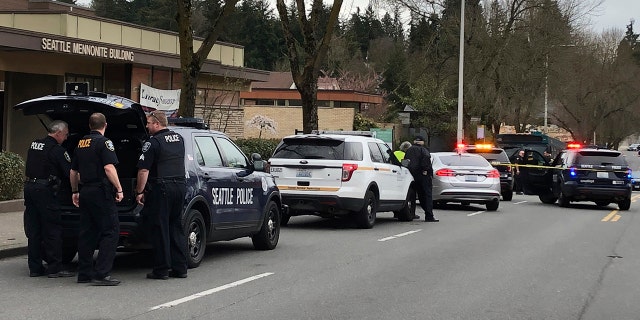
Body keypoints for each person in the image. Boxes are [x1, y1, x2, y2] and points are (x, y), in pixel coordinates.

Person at [70, 113, 123, 286]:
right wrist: (119, 188)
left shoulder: (81, 143)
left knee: (87, 232)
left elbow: (73, 172)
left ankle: (84, 273)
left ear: (89, 125)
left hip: (86, 191)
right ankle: (102, 274)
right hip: (101, 192)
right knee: (110, 230)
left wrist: (75, 191)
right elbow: (108, 167)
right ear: (105, 125)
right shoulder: (104, 142)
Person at [135, 111, 188, 280]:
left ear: (157, 123)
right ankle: (180, 267)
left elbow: (143, 170)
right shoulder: (179, 139)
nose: (147, 126)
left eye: (149, 123)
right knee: (176, 227)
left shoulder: (153, 143)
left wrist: (139, 192)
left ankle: (161, 269)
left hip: (162, 188)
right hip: (180, 186)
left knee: (160, 228)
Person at [23, 120, 75, 278]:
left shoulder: (35, 144)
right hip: (45, 192)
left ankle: (35, 268)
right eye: (65, 135)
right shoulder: (57, 150)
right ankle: (54, 268)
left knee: (34, 230)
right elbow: (69, 172)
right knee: (52, 230)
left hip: (29, 189)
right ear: (58, 133)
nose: (66, 138)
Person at [404, 136, 438, 222]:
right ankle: (429, 215)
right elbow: (426, 159)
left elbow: (405, 161)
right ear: (422, 142)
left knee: (413, 196)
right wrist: (425, 170)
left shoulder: (409, 150)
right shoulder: (423, 150)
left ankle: (411, 213)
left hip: (411, 176)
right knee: (426, 195)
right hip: (423, 176)